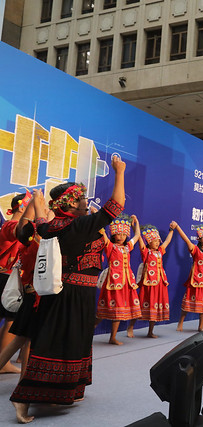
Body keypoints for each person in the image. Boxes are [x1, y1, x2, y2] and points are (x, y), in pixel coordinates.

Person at [10, 156, 126, 423]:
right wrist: (119, 172)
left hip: (76, 295)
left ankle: (60, 392)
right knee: (54, 345)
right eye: (82, 199)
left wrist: (38, 208)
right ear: (71, 204)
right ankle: (22, 399)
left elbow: (36, 227)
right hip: (71, 296)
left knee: (69, 344)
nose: (87, 202)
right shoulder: (77, 225)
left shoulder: (53, 225)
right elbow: (115, 205)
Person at [96, 214, 142, 345]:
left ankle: (113, 337)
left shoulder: (128, 247)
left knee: (119, 310)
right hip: (113, 282)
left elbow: (137, 236)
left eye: (123, 235)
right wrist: (96, 214)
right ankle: (89, 331)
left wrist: (136, 223)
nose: (121, 237)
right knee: (103, 313)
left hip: (126, 283)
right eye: (118, 234)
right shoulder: (110, 246)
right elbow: (102, 232)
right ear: (113, 235)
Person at [0, 191, 31, 375]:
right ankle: (3, 364)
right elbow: (21, 230)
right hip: (5, 277)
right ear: (22, 207)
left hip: (8, 276)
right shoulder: (11, 225)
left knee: (10, 321)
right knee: (11, 320)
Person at [132, 222, 176, 338]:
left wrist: (171, 230)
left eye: (158, 241)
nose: (157, 243)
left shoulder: (160, 251)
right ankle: (130, 327)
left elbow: (167, 242)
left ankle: (150, 331)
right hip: (148, 283)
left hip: (160, 283)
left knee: (155, 307)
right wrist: (135, 226)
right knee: (142, 305)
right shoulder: (146, 252)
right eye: (155, 241)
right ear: (149, 242)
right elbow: (140, 240)